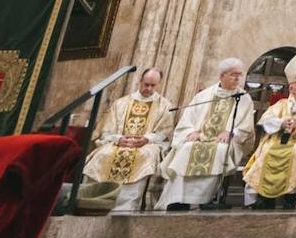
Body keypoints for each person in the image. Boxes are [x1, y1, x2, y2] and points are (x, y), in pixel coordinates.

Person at [157, 57, 256, 211]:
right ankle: (178, 199)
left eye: (239, 75)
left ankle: (207, 199)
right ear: (222, 76)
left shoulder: (244, 98)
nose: (237, 78)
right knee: (186, 148)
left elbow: (246, 126)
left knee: (220, 151)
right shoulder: (204, 96)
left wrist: (231, 132)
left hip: (222, 141)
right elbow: (188, 118)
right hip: (200, 137)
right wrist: (192, 131)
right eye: (233, 74)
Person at [80, 67, 173, 213]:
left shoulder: (164, 105)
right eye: (146, 84)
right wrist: (118, 139)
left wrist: (146, 139)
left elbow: (165, 132)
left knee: (145, 157)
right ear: (139, 81)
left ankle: (127, 206)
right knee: (103, 154)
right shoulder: (121, 103)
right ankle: (93, 202)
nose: (148, 88)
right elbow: (105, 130)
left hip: (146, 145)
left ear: (159, 84)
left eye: (153, 86)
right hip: (119, 142)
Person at [243, 53, 296, 209]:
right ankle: (264, 197)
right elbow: (265, 120)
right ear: (291, 87)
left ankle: (291, 197)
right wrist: (281, 123)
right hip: (277, 139)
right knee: (266, 152)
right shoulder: (280, 104)